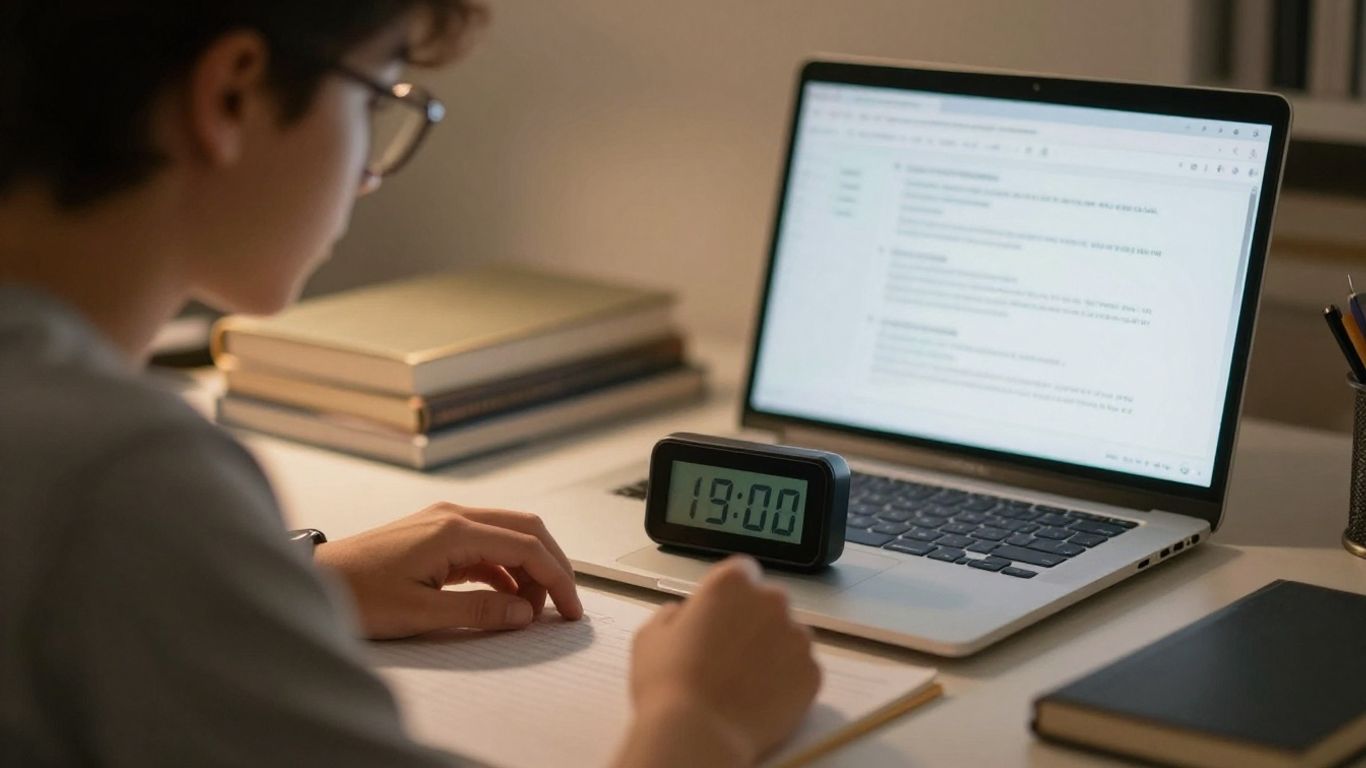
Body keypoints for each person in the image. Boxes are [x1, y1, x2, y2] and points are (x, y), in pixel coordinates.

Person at [0, 2, 821, 766]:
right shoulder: (123, 479)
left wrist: (276, 587)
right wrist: (698, 718)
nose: (369, 165)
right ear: (231, 96)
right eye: (373, 98)